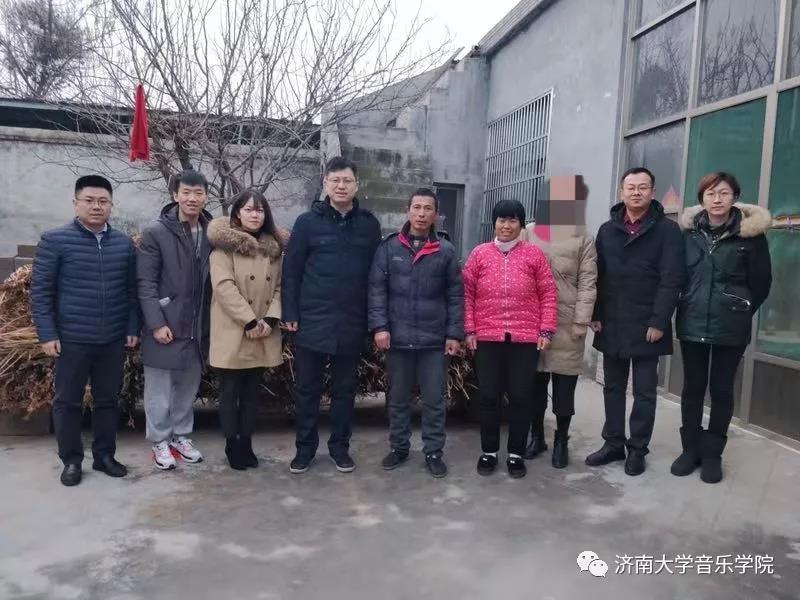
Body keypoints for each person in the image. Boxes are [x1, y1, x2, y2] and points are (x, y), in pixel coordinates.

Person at [31, 175, 139, 486]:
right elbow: (41, 292)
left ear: (111, 205)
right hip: (72, 339)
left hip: (112, 339)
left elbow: (132, 292)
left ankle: (104, 456)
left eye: (103, 201)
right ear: (76, 203)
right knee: (68, 402)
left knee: (108, 400)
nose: (96, 206)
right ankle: (71, 461)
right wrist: (48, 334)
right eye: (89, 200)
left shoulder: (123, 244)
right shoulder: (55, 240)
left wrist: (132, 327)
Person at [281, 156, 382, 474]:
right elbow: (292, 271)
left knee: (344, 391)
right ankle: (304, 449)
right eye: (335, 180)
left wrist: (374, 319)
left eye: (347, 180)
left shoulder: (369, 225)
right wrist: (290, 311)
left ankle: (340, 448)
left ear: (356, 185)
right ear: (325, 183)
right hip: (312, 319)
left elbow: (376, 276)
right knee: (307, 390)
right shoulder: (306, 223)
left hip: (352, 320)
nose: (341, 186)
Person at [672, 172, 772, 484]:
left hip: (731, 327)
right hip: (692, 321)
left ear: (734, 197)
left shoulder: (750, 236)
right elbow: (677, 275)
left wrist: (740, 308)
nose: (717, 199)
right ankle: (690, 450)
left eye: (724, 193)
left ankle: (713, 454)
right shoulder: (688, 234)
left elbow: (761, 282)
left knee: (721, 389)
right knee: (692, 388)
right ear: (702, 199)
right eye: (711, 193)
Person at [586, 167, 686, 476]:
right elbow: (598, 275)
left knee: (644, 392)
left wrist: (659, 321)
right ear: (621, 192)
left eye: (643, 187)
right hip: (613, 320)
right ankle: (614, 443)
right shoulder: (607, 230)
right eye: (631, 187)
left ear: (653, 192)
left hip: (647, 323)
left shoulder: (668, 230)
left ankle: (638, 449)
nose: (636, 192)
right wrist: (595, 314)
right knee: (612, 387)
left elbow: (672, 279)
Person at [368, 188, 464, 478]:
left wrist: (453, 334)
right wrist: (380, 327)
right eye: (417, 207)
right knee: (398, 400)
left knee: (435, 401)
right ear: (407, 210)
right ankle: (399, 447)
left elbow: (455, 296)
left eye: (428, 209)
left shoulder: (445, 250)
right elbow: (377, 290)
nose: (421, 214)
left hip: (434, 341)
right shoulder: (389, 248)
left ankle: (433, 451)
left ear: (436, 214)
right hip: (398, 338)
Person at [462, 199, 558, 479]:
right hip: (487, 336)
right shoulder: (479, 254)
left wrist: (546, 330)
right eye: (501, 220)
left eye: (513, 220)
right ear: (494, 223)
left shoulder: (534, 255)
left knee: (520, 396)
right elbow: (466, 294)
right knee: (488, 396)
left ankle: (516, 453)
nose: (506, 226)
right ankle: (489, 451)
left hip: (525, 338)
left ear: (521, 224)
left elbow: (548, 293)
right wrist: (469, 329)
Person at [138, 170, 212, 470]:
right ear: (175, 195)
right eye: (186, 192)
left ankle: (181, 436)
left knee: (187, 386)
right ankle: (159, 440)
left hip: (197, 324)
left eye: (198, 193)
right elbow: (145, 282)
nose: (192, 198)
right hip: (166, 322)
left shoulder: (212, 231)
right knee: (159, 389)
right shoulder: (156, 232)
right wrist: (156, 323)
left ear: (206, 196)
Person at [207, 190, 284, 470]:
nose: (255, 215)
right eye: (249, 209)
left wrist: (270, 319)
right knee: (230, 392)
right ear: (237, 213)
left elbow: (280, 287)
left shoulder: (274, 250)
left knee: (252, 393)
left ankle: (247, 442)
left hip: (263, 330)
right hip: (234, 329)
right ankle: (232, 444)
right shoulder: (223, 249)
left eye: (260, 210)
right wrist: (250, 321)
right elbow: (223, 287)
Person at [524, 184, 597, 469]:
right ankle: (536, 436)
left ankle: (561, 440)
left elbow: (588, 282)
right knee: (534, 386)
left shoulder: (583, 237)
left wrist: (581, 320)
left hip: (567, 323)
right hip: (532, 320)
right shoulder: (529, 232)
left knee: (564, 390)